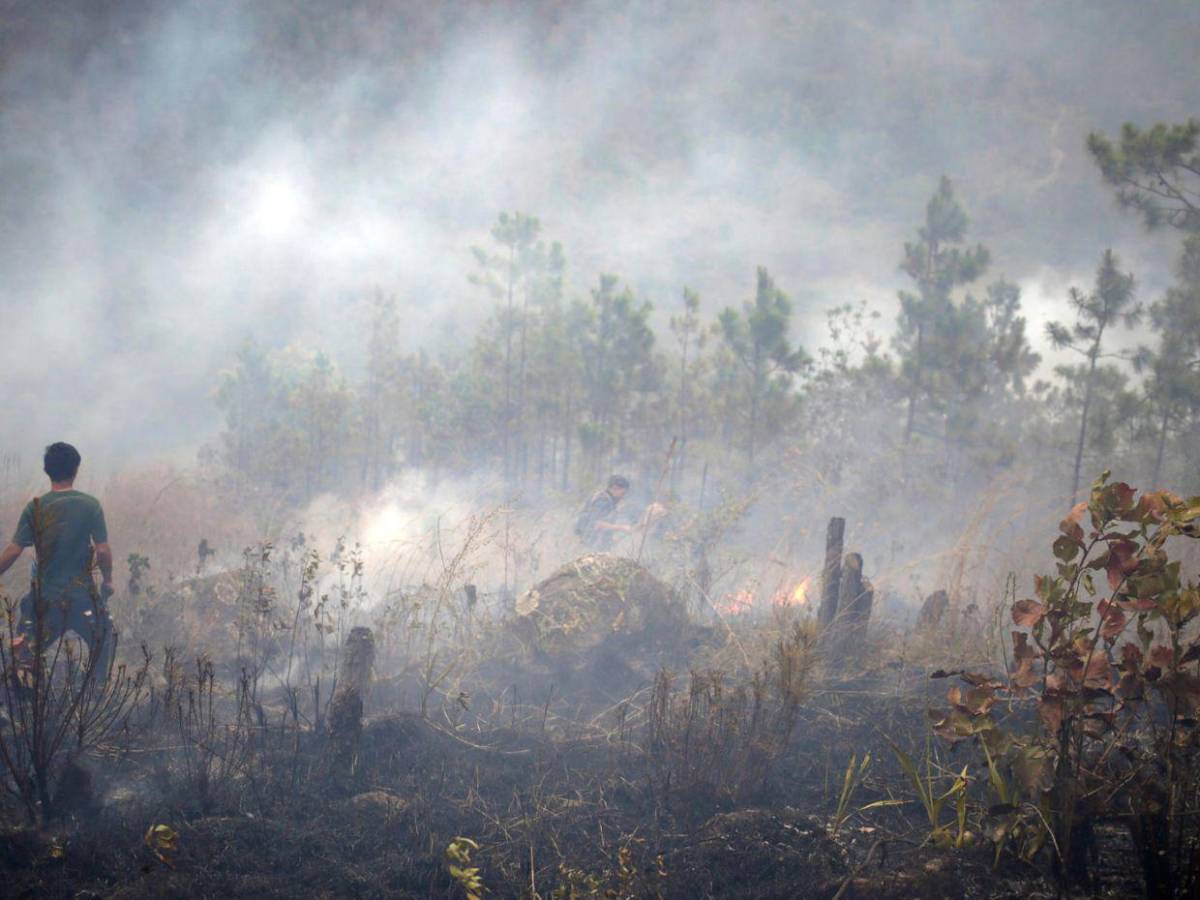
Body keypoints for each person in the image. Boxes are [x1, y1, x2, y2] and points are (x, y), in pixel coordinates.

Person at [0, 443, 115, 677]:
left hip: (46, 600)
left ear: (47, 470)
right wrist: (108, 580)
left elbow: (14, 550)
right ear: (76, 470)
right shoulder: (90, 505)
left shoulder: (36, 507)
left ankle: (26, 704)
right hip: (83, 599)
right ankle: (95, 697)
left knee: (24, 654)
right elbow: (102, 551)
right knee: (105, 642)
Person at [574, 475, 634, 551]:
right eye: (622, 493)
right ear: (615, 488)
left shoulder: (608, 500)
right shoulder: (602, 501)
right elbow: (596, 523)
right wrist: (621, 527)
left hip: (591, 544)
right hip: (587, 545)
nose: (623, 496)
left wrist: (610, 541)